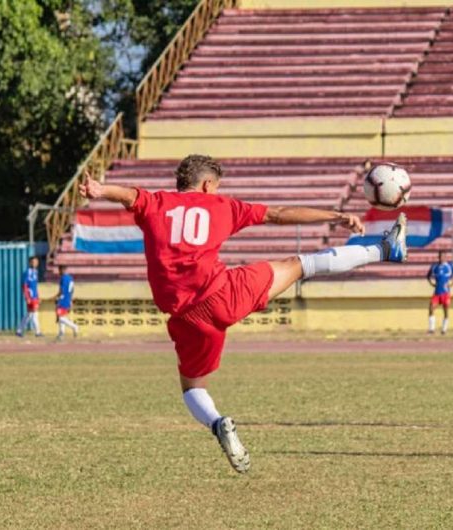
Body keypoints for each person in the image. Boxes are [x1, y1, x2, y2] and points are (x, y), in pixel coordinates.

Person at [78, 154, 408, 474]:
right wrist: (334, 216)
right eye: (217, 186)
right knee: (300, 265)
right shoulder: (221, 206)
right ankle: (382, 248)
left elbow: (129, 195)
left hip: (185, 317)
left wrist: (99, 191)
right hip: (223, 294)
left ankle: (218, 422)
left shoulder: (155, 202)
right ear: (207, 185)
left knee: (192, 388)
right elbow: (278, 214)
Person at [426, 250, 453, 334]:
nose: (441, 258)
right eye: (440, 256)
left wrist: (451, 284)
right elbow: (428, 276)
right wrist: (432, 283)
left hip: (445, 292)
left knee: (446, 311)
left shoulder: (449, 266)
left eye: (443, 256)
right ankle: (431, 329)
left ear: (445, 257)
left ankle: (444, 329)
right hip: (437, 292)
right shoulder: (434, 266)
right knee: (431, 308)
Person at [16, 256, 43, 337]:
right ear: (30, 263)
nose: (35, 263)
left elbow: (35, 286)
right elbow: (24, 285)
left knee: (29, 314)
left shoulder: (36, 272)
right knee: (35, 314)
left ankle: (19, 331)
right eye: (34, 262)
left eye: (36, 262)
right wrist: (27, 297)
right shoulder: (27, 272)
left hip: (35, 296)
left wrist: (38, 296)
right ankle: (38, 332)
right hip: (30, 297)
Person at [54, 265, 79, 340]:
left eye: (60, 270)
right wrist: (70, 300)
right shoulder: (70, 278)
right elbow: (72, 290)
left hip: (63, 299)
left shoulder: (63, 278)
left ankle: (74, 326)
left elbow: (61, 290)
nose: (59, 272)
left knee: (60, 317)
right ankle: (61, 334)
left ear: (63, 270)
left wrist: (56, 297)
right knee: (62, 316)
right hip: (67, 298)